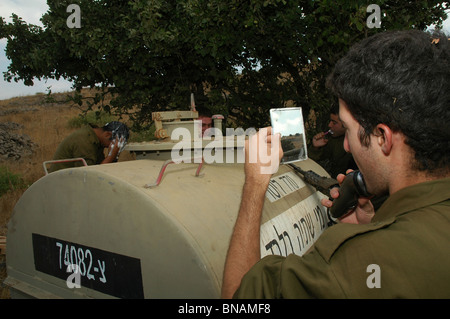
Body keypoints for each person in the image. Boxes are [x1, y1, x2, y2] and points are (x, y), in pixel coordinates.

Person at [221, 30, 450, 298]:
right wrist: (374, 226)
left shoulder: (350, 265)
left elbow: (237, 299)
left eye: (349, 130)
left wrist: (255, 183)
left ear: (383, 137)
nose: (345, 145)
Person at [48, 121, 129, 173]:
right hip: (61, 182)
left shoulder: (95, 139)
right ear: (107, 135)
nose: (109, 147)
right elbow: (90, 175)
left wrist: (114, 157)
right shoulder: (84, 140)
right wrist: (111, 155)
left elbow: (102, 167)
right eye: (111, 144)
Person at [308, 103, 357, 178]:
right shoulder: (333, 139)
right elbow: (314, 161)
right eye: (330, 121)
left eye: (334, 123)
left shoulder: (360, 145)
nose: (330, 125)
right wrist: (315, 148)